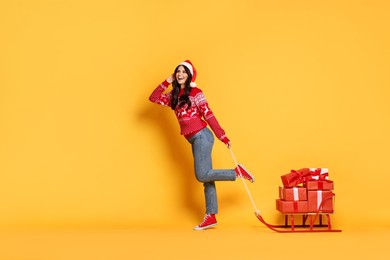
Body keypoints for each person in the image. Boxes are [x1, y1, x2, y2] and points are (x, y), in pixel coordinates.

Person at [149, 60, 254, 230]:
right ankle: (211, 216)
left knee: (202, 175)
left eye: (183, 71)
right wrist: (167, 81)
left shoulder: (196, 93)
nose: (180, 74)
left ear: (189, 75)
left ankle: (236, 172)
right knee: (208, 178)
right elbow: (153, 97)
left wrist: (222, 135)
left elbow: (209, 115)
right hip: (193, 138)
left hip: (202, 136)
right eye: (178, 71)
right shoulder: (173, 96)